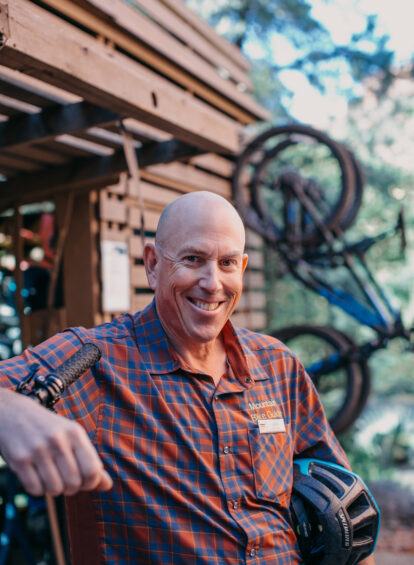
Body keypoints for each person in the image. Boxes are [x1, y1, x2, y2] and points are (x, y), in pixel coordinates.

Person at [0, 191, 374, 564]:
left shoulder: (278, 365)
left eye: (227, 263)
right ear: (152, 264)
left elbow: (348, 508)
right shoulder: (94, 360)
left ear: (242, 268)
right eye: (193, 259)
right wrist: (10, 409)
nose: (212, 283)